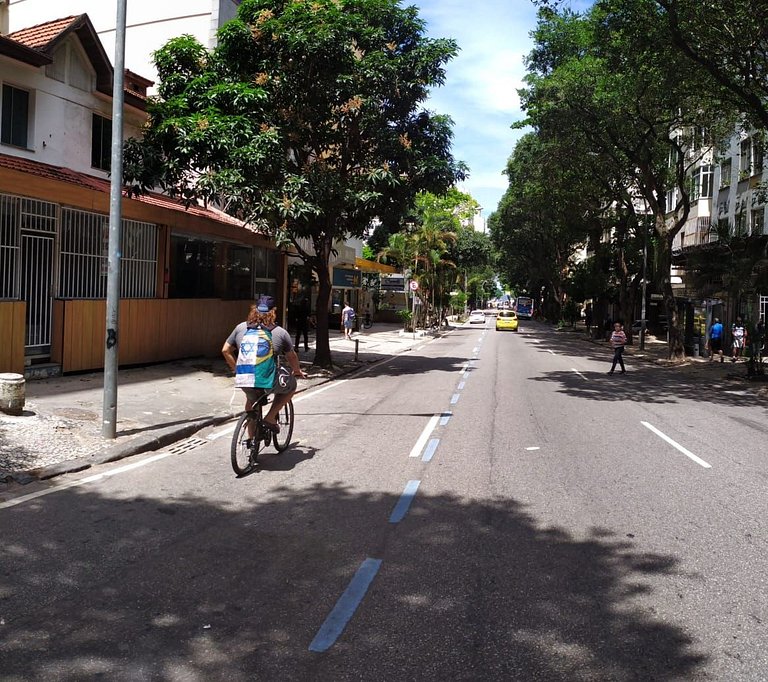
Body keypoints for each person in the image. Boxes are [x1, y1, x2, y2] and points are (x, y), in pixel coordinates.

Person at [222, 295, 306, 433]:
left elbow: (225, 350)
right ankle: (270, 417)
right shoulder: (280, 332)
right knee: (291, 386)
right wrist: (296, 371)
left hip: (244, 378)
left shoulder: (240, 328)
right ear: (273, 312)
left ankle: (250, 442)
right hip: (266, 379)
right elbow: (291, 356)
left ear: (254, 310)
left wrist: (237, 369)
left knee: (251, 402)